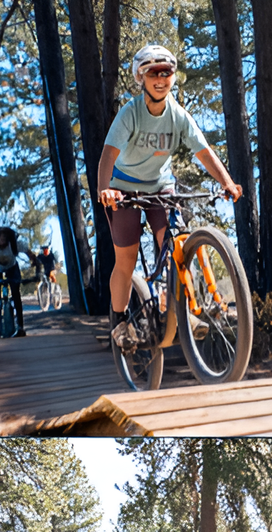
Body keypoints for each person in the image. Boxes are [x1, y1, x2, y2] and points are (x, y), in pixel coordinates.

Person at [96, 44, 243, 348]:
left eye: (166, 72)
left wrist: (228, 182)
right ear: (142, 77)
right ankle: (120, 322)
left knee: (176, 242)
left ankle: (185, 308)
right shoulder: (130, 113)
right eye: (153, 73)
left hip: (161, 186)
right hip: (124, 187)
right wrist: (104, 189)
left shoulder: (178, 116)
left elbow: (204, 153)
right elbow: (108, 155)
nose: (160, 78)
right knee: (126, 259)